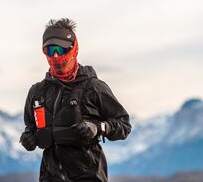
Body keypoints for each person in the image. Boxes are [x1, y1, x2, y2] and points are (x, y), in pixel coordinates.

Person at [19, 18, 132, 182]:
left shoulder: (93, 88)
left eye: (61, 49)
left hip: (89, 176)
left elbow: (124, 125)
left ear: (74, 49)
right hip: (50, 177)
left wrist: (98, 127)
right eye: (50, 51)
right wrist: (29, 138)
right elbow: (31, 127)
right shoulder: (37, 93)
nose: (56, 56)